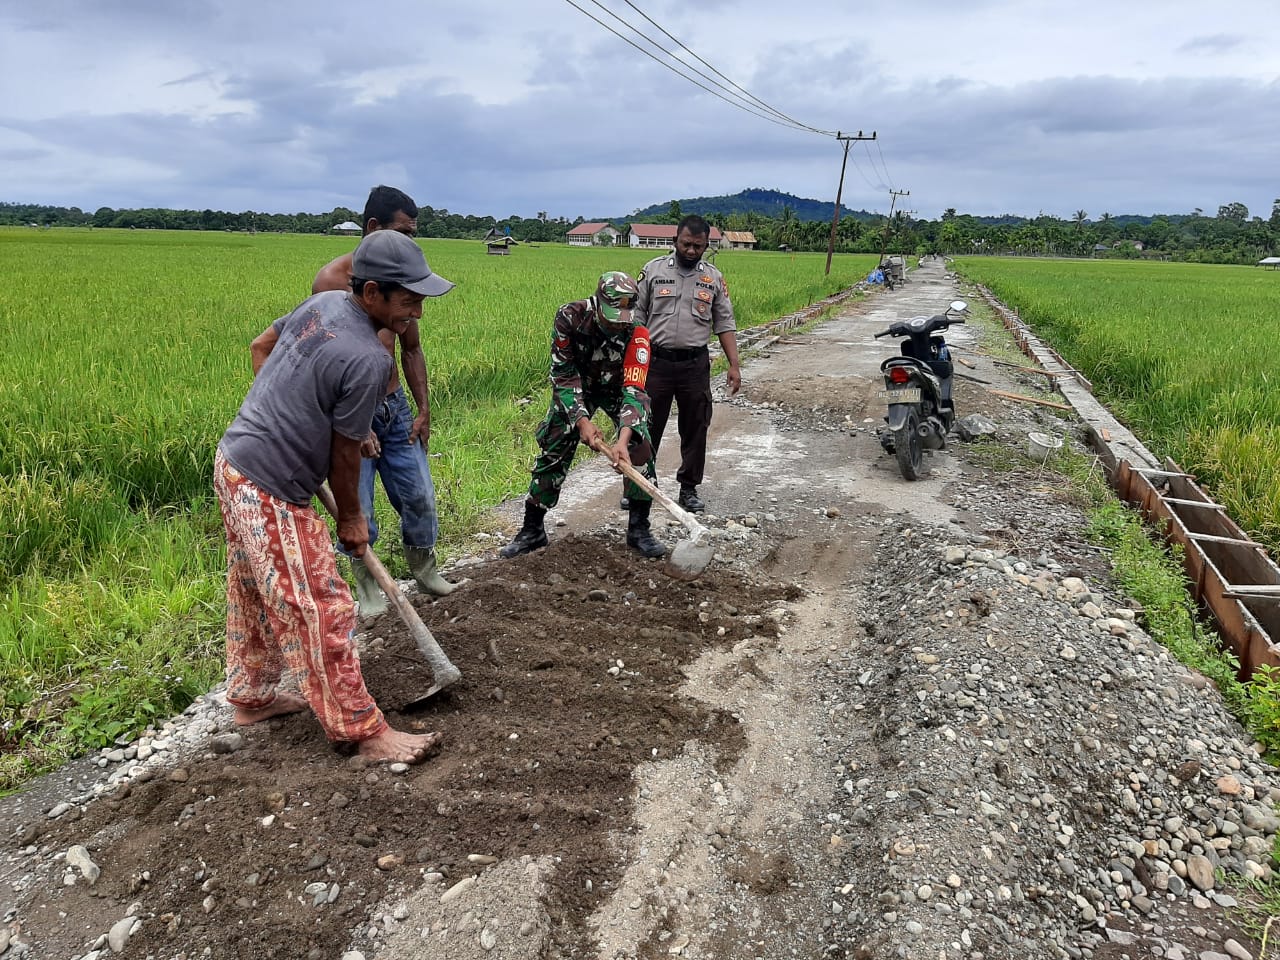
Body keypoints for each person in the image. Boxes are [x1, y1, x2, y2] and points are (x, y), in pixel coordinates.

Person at [215, 229, 451, 765]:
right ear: (371, 294)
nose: (417, 310)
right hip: (270, 486)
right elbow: (346, 457)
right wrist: (352, 519)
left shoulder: (322, 304)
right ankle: (363, 730)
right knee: (322, 603)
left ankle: (251, 699)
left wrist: (287, 415)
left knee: (252, 590)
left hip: (235, 462)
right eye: (408, 298)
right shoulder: (367, 357)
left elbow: (264, 348)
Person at [251, 185, 461, 620]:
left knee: (419, 496)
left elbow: (411, 348)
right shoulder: (331, 287)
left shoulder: (403, 279)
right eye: (402, 231)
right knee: (357, 507)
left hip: (393, 407)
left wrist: (422, 408)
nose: (410, 241)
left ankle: (424, 567)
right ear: (372, 229)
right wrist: (347, 425)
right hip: (349, 417)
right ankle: (368, 584)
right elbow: (293, 353)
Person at [499, 271, 665, 560]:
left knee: (641, 447)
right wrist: (582, 421)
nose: (617, 325)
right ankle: (532, 530)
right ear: (598, 303)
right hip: (578, 386)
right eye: (612, 317)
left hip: (616, 388)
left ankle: (639, 529)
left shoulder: (638, 333)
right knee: (554, 448)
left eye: (622, 318)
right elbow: (563, 376)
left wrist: (623, 441)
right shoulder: (570, 317)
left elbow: (635, 390)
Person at [631, 214, 741, 514]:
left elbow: (724, 322)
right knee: (646, 425)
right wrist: (633, 362)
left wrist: (734, 364)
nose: (692, 251)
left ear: (707, 245)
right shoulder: (653, 271)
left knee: (695, 427)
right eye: (686, 244)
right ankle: (639, 484)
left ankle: (688, 488)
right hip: (656, 363)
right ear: (675, 241)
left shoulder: (713, 278)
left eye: (698, 246)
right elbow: (636, 317)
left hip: (695, 364)